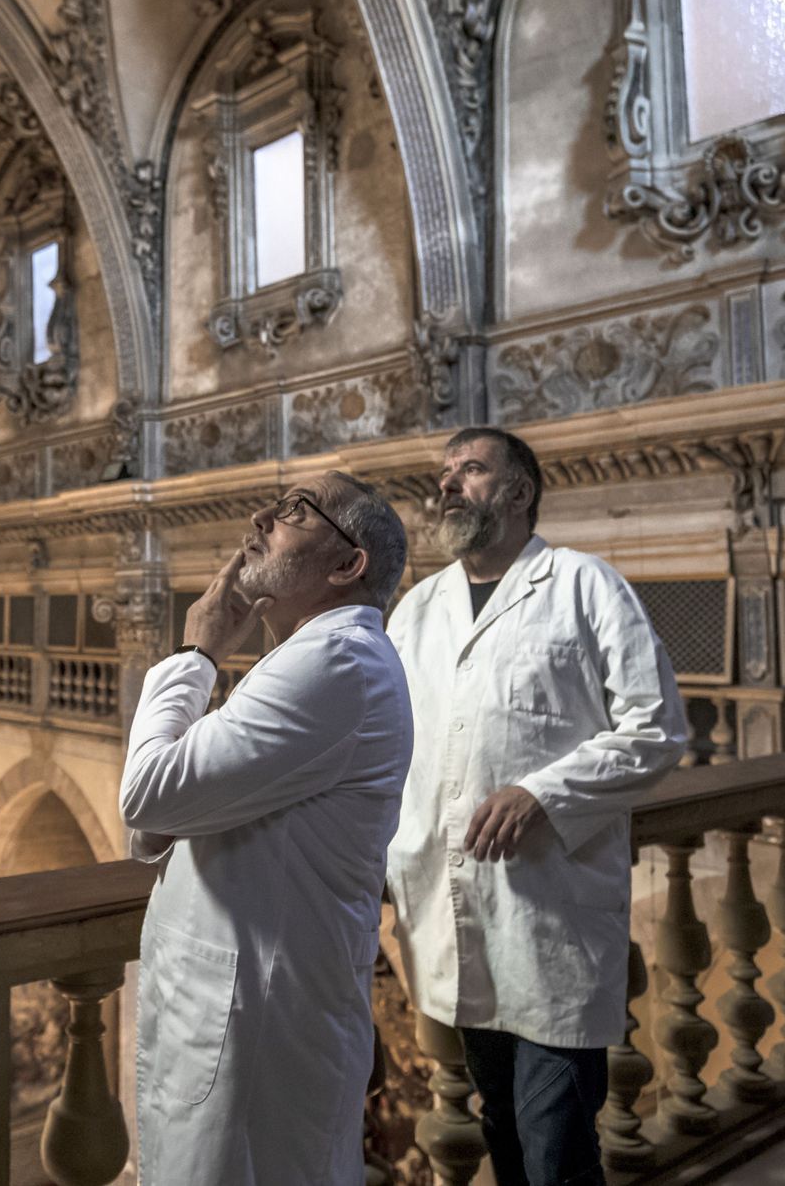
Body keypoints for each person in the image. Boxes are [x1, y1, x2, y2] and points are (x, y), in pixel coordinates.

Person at [386, 427, 688, 1186]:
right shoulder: (417, 610)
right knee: (503, 1131)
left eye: (472, 470)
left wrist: (541, 792)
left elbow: (657, 727)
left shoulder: (586, 586)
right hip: (451, 911)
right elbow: (385, 745)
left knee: (555, 1143)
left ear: (518, 492)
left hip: (550, 914)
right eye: (446, 471)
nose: (449, 483)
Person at [120, 471, 413, 1186]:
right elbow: (163, 823)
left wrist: (196, 653)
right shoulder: (304, 660)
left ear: (347, 565)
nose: (260, 517)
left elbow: (149, 794)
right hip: (234, 1016)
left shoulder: (336, 661)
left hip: (258, 1032)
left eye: (295, 511)